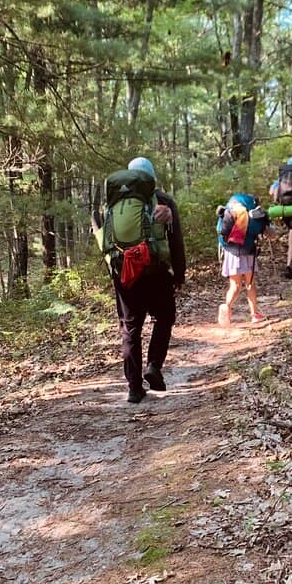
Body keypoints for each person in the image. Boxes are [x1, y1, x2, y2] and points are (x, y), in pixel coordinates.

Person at [92, 156, 185, 404]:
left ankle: (134, 388)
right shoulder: (163, 201)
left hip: (125, 274)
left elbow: (108, 243)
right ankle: (154, 366)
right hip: (155, 271)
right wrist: (179, 274)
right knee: (165, 317)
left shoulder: (113, 204)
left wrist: (115, 272)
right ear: (151, 178)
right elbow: (176, 241)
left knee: (130, 329)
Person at [216, 192, 269, 327]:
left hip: (231, 254)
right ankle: (254, 314)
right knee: (250, 284)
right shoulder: (254, 215)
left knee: (235, 286)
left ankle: (226, 306)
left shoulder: (228, 212)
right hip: (248, 253)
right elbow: (269, 233)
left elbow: (220, 232)